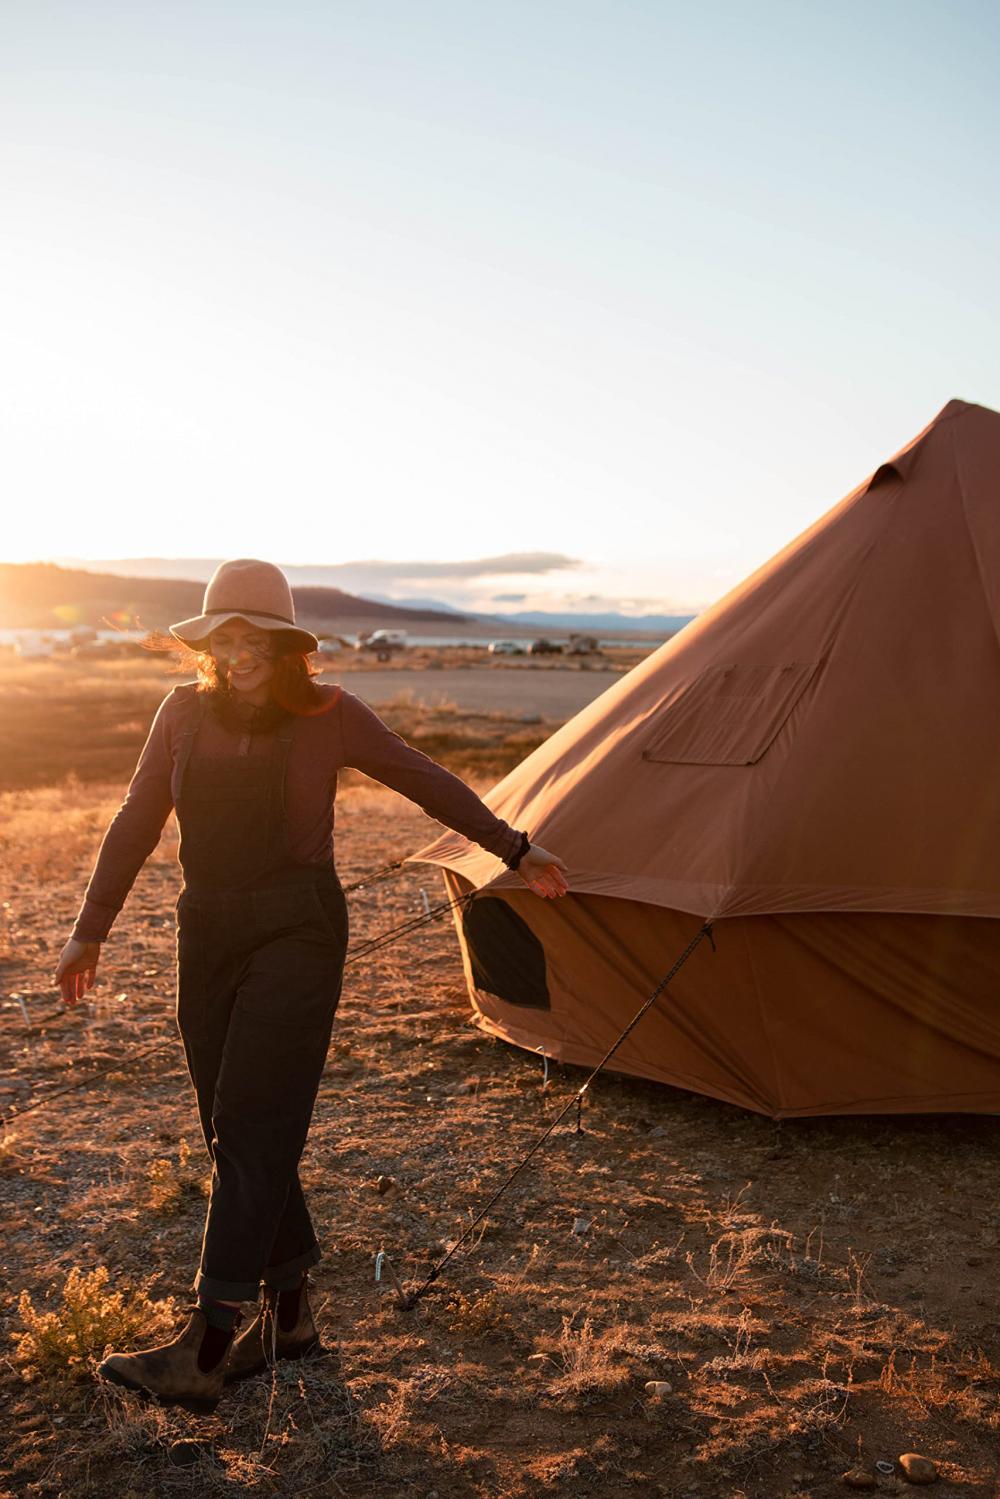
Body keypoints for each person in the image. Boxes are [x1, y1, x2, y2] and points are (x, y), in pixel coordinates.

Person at [53, 558, 568, 1413]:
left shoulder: (331, 714)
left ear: (287, 645)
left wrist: (513, 845)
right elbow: (137, 817)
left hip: (298, 929)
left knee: (256, 1118)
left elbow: (421, 776)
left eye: (256, 633)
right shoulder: (180, 714)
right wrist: (89, 928)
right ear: (210, 643)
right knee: (233, 1120)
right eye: (226, 633)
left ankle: (207, 1343)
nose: (239, 647)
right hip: (206, 928)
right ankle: (290, 1318)